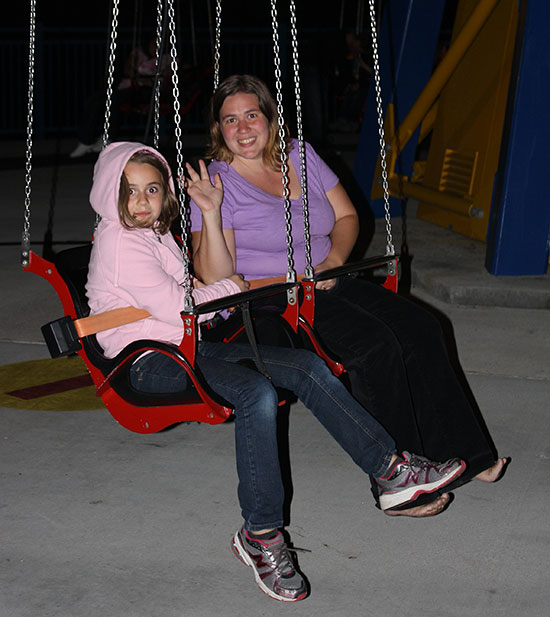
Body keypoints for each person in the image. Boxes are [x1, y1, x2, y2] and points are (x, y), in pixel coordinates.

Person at [85, 141, 466, 602]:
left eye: (152, 189)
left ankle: (391, 471)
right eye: (129, 192)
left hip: (181, 347)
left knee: (304, 366)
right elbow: (181, 306)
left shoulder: (155, 236)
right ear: (110, 194)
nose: (142, 202)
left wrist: (217, 262)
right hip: (144, 363)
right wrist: (231, 286)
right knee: (256, 393)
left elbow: (195, 306)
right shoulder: (119, 241)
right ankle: (261, 536)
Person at [188, 74, 508, 518]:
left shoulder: (300, 156)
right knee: (374, 347)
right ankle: (397, 484)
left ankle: (467, 454)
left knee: (421, 327)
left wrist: (335, 259)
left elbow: (346, 215)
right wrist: (210, 209)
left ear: (269, 118)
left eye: (251, 115)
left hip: (328, 279)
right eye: (229, 120)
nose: (242, 129)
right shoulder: (216, 181)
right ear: (218, 129)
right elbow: (214, 275)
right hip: (271, 298)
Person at [69, 36, 172, 159]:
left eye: (159, 44)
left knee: (114, 101)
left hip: (148, 92)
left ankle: (107, 137)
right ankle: (86, 140)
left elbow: (168, 78)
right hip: (128, 86)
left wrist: (147, 79)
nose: (156, 47)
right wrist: (134, 66)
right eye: (153, 44)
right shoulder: (138, 53)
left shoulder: (168, 59)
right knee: (95, 100)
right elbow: (128, 71)